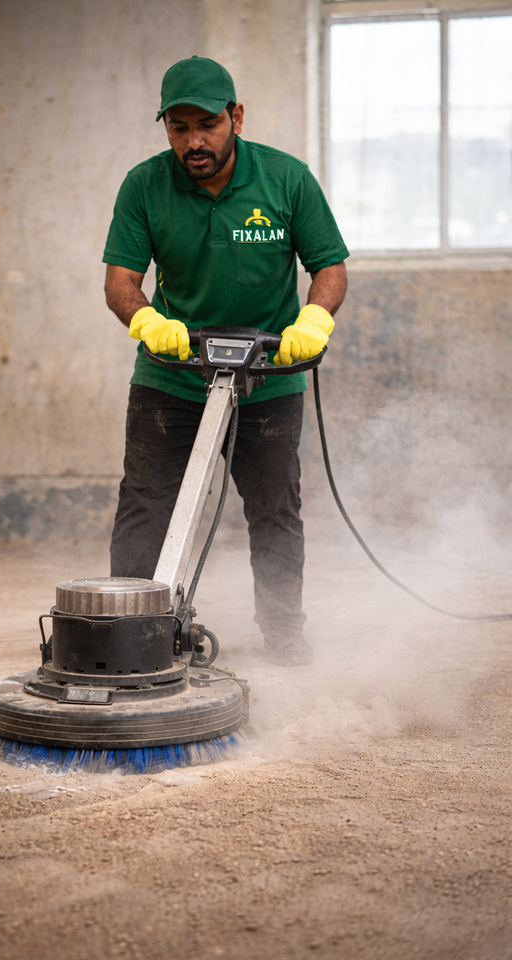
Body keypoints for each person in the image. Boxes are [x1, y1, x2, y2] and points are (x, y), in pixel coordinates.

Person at [103, 56, 348, 666]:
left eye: (207, 125)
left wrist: (312, 321)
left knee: (273, 508)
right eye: (179, 128)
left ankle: (284, 633)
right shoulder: (144, 185)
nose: (194, 142)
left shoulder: (287, 179)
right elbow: (120, 281)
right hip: (172, 375)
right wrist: (147, 321)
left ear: (235, 116)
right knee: (145, 502)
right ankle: (135, 634)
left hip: (266, 379)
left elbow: (330, 267)